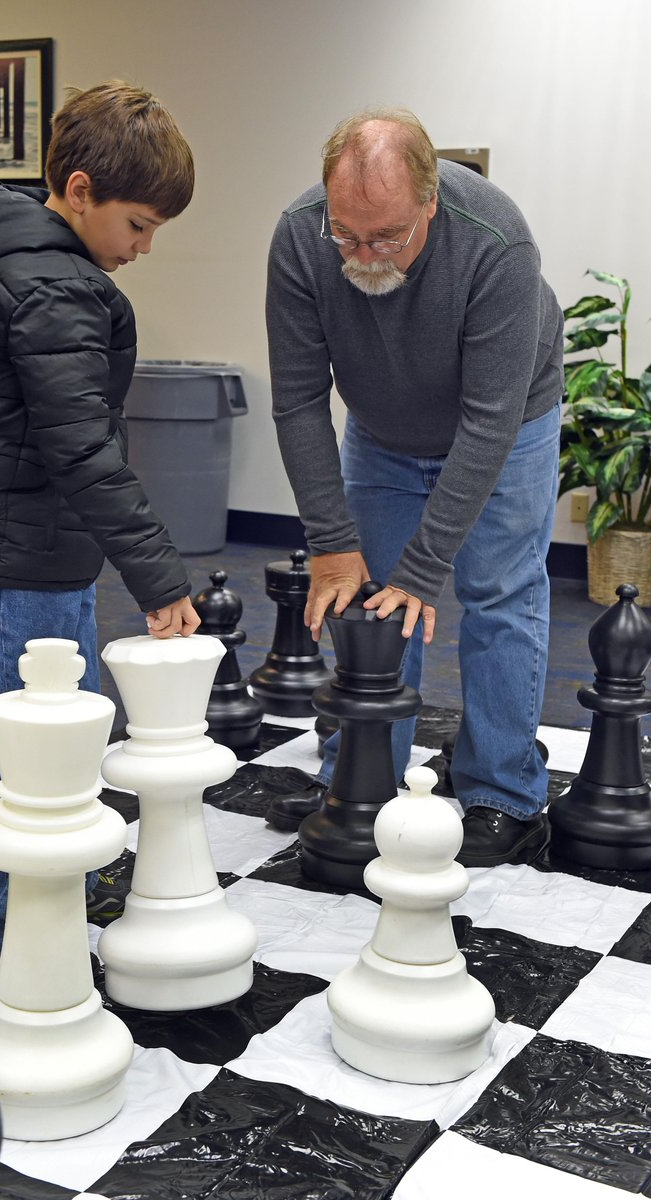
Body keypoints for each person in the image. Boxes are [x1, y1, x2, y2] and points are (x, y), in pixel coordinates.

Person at [0, 81, 200, 980]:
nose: (145, 249)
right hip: (14, 559)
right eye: (138, 224)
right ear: (79, 192)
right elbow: (83, 450)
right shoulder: (52, 287)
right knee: (17, 749)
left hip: (27, 546)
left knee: (47, 735)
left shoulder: (31, 268)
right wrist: (158, 577)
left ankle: (42, 887)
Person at [264, 107, 563, 867]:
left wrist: (427, 569)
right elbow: (297, 400)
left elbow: (488, 420)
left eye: (388, 235)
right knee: (367, 598)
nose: (363, 253)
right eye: (348, 234)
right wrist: (332, 547)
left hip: (508, 422)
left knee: (497, 594)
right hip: (382, 429)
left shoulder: (495, 240)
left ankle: (504, 794)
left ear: (430, 199)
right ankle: (360, 777)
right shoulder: (301, 236)